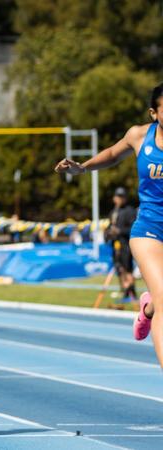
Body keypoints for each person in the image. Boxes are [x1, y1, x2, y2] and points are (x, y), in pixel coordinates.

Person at [55, 82, 163, 368]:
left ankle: (148, 307)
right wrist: (83, 167)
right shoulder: (140, 136)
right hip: (150, 230)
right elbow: (113, 154)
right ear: (154, 113)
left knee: (161, 300)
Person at [105, 187, 137, 302]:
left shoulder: (130, 211)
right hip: (115, 245)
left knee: (128, 269)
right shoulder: (113, 212)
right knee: (119, 269)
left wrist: (119, 231)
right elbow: (109, 227)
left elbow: (133, 229)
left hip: (126, 244)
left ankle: (131, 292)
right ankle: (125, 290)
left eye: (121, 197)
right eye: (117, 197)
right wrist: (108, 233)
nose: (119, 199)